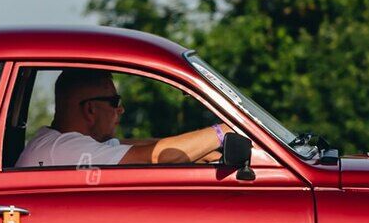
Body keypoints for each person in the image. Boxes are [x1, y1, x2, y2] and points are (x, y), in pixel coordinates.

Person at [15, 69, 231, 168]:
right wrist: (227, 129)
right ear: (90, 110)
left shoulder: (56, 141)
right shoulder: (67, 149)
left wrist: (205, 153)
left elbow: (146, 145)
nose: (121, 110)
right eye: (115, 101)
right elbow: (156, 157)